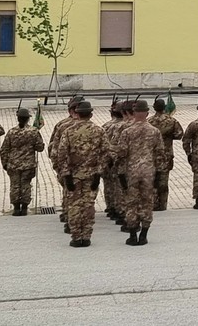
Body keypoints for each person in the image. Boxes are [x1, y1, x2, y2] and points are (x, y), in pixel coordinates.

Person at [114, 99, 167, 245]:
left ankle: (132, 235)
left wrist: (120, 173)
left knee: (131, 203)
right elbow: (160, 154)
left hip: (131, 172)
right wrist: (160, 174)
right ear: (147, 113)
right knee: (147, 203)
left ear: (134, 112)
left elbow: (121, 154)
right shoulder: (154, 131)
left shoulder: (127, 132)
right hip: (148, 172)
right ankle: (144, 234)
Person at [57, 100, 105, 247]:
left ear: (77, 113)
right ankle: (87, 235)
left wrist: (65, 174)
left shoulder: (68, 131)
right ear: (91, 114)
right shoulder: (98, 130)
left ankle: (77, 237)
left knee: (74, 206)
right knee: (88, 205)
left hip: (73, 175)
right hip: (92, 176)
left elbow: (61, 154)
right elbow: (106, 153)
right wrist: (99, 173)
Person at [0, 106, 44, 216]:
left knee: (15, 185)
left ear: (18, 119)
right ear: (28, 119)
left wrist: (4, 163)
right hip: (28, 164)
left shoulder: (11, 132)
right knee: (25, 185)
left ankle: (16, 207)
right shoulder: (33, 131)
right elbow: (40, 148)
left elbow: (4, 149)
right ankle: (24, 207)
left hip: (13, 164)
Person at [147, 98, 184, 211]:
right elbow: (179, 134)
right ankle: (162, 205)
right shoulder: (171, 121)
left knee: (152, 181)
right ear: (164, 108)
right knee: (163, 181)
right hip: (166, 155)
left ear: (154, 108)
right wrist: (167, 136)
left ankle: (153, 204)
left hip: (151, 156)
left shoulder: (149, 121)